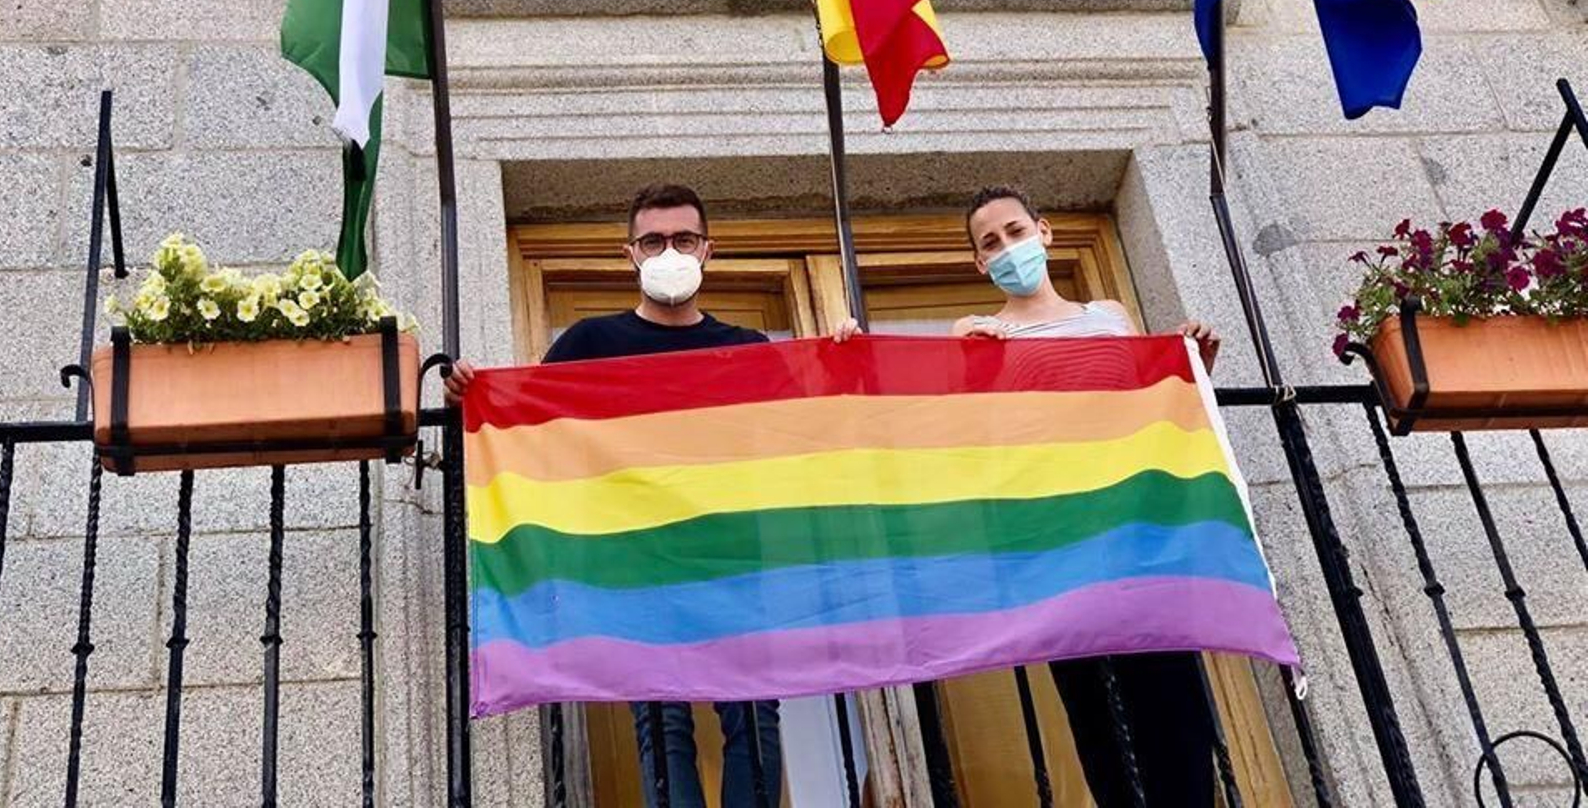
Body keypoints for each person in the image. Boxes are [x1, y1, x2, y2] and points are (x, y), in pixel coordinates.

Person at [445, 182, 858, 808]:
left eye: (683, 239)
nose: (670, 251)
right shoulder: (590, 344)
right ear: (629, 254)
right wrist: (473, 393)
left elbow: (801, 426)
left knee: (750, 711)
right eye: (654, 240)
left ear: (707, 250)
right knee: (661, 720)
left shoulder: (747, 348)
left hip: (735, 558)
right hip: (638, 561)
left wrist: (846, 363)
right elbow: (532, 418)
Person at [953, 184, 1222, 808]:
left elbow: (1150, 408)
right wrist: (968, 362)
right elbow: (976, 433)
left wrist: (1194, 370)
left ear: (1043, 232)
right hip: (1059, 547)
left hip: (1138, 540)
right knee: (1099, 713)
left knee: (1175, 701)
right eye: (990, 243)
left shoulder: (1108, 314)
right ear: (978, 263)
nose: (1007, 248)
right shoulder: (977, 331)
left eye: (1015, 232)